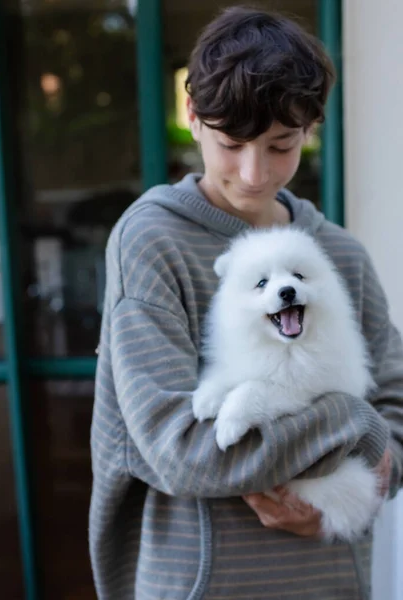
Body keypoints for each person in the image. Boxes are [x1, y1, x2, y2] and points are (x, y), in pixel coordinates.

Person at [89, 6, 403, 599]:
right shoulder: (152, 241)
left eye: (282, 145)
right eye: (232, 144)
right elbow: (182, 451)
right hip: (202, 584)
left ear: (310, 127)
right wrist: (354, 427)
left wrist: (370, 476)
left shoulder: (338, 254)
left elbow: (397, 404)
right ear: (192, 116)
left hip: (331, 583)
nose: (255, 173)